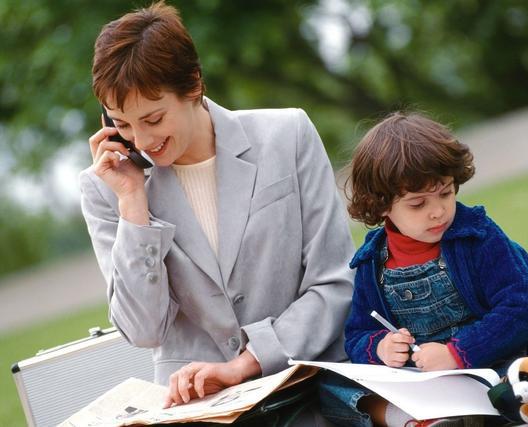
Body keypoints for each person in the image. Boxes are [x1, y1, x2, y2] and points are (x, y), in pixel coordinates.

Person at [80, 0, 354, 416]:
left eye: (153, 119)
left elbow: (335, 283)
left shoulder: (288, 135)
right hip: (198, 409)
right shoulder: (106, 189)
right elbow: (143, 330)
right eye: (121, 123)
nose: (141, 140)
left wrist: (246, 363)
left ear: (193, 85)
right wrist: (133, 205)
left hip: (311, 384)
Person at [319, 112, 528, 427]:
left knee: (525, 378)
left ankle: (475, 413)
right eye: (418, 204)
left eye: (446, 193)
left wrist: (458, 353)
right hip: (425, 384)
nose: (438, 212)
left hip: (495, 364)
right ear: (381, 206)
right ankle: (420, 420)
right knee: (329, 388)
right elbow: (356, 334)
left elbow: (522, 309)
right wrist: (379, 346)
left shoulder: (478, 236)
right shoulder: (371, 263)